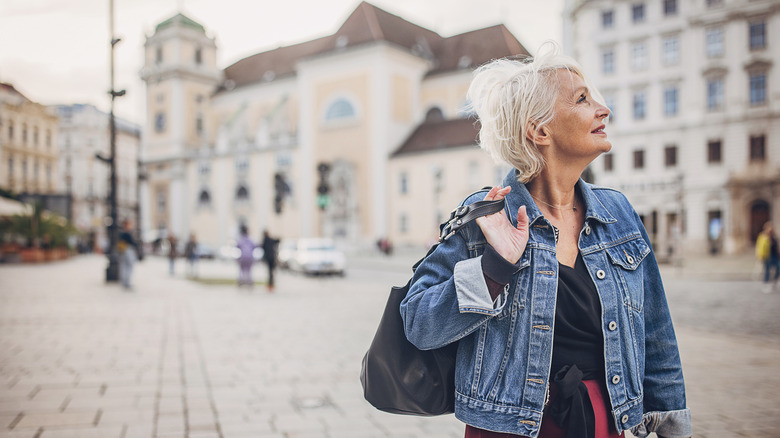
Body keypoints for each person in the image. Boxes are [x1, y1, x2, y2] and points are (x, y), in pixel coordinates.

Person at [400, 43, 691, 438]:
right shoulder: (488, 214)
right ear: (540, 130)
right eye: (583, 99)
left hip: (608, 422)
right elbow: (417, 322)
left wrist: (674, 423)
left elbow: (656, 333)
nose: (603, 110)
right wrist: (492, 270)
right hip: (509, 428)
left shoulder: (618, 212)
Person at [755, 221, 779, 293]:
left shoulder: (774, 237)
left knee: (778, 268)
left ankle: (774, 280)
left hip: (775, 256)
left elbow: (777, 246)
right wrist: (760, 256)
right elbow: (759, 247)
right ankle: (766, 284)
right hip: (767, 256)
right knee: (767, 271)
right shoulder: (762, 236)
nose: (770, 229)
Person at [118, 219, 139, 290]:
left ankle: (124, 282)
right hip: (128, 250)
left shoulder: (121, 233)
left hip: (122, 251)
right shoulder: (127, 233)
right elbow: (133, 242)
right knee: (129, 266)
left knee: (123, 266)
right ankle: (127, 282)